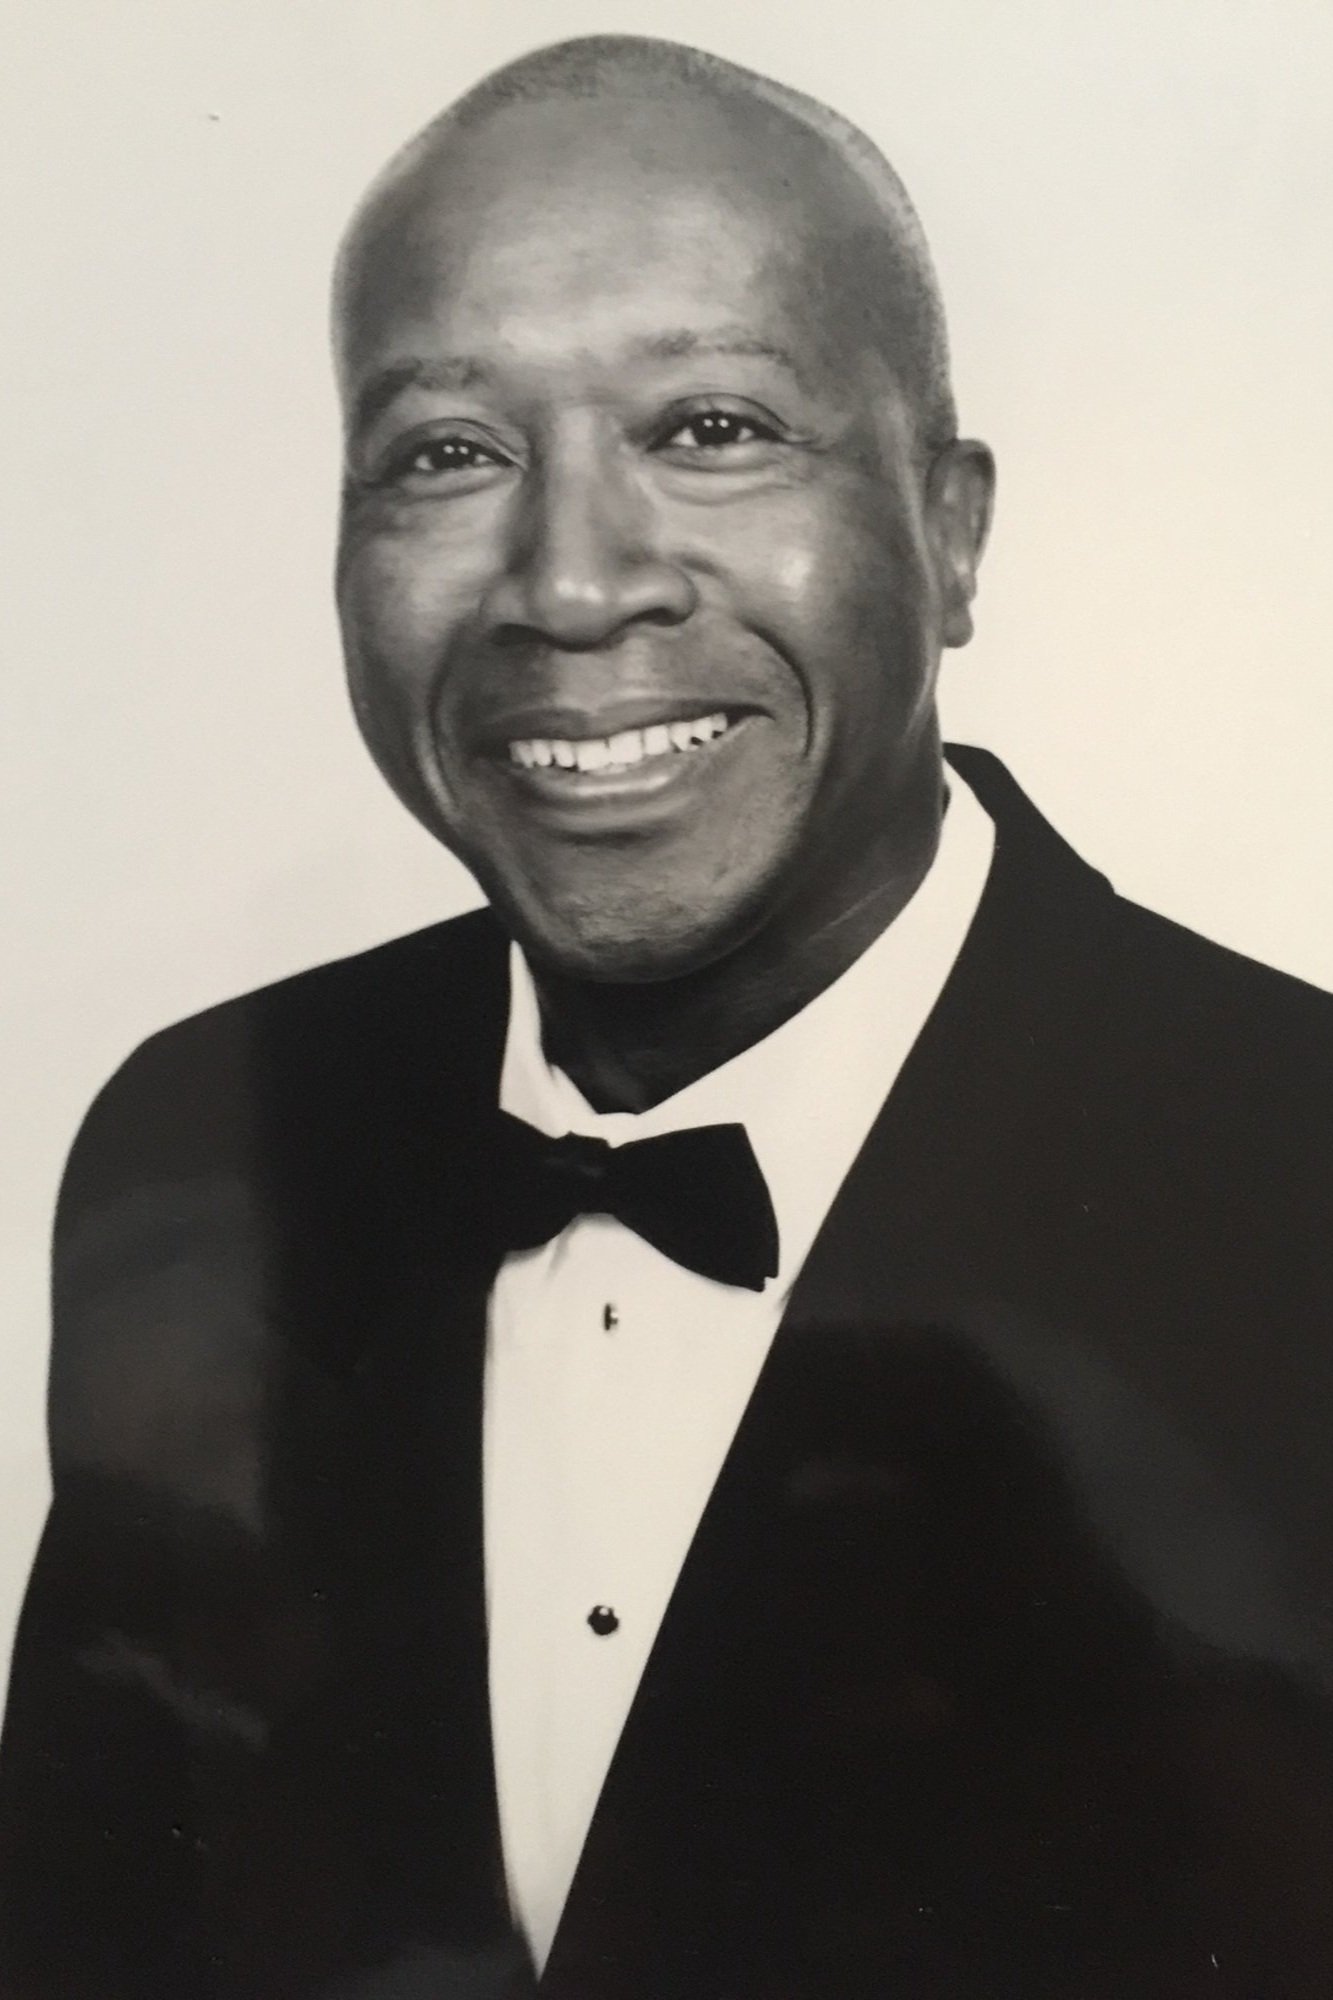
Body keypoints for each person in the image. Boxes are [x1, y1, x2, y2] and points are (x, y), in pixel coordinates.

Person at [2, 33, 1332, 2000]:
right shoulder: (207, 1133)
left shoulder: (1295, 1171)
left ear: (948, 530)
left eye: (709, 427)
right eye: (449, 453)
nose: (568, 582)